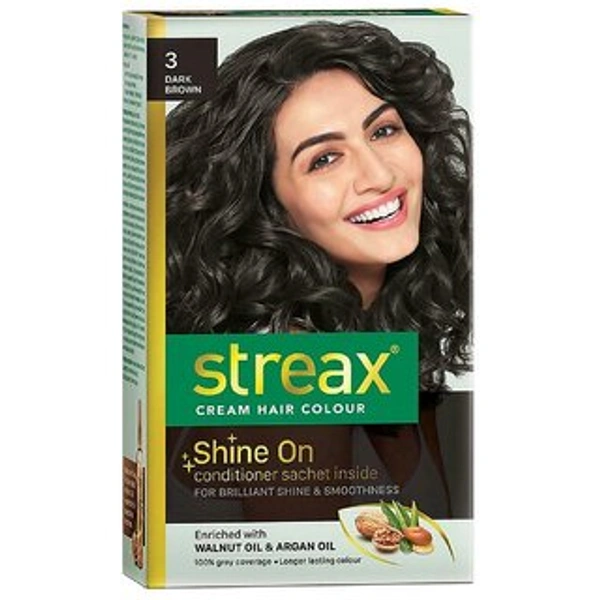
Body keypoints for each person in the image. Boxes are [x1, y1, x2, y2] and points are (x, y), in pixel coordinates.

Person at [166, 20, 472, 520]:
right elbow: (311, 561)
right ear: (266, 205)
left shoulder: (389, 341)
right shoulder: (294, 369)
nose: (379, 175)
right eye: (325, 159)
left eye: (384, 130)